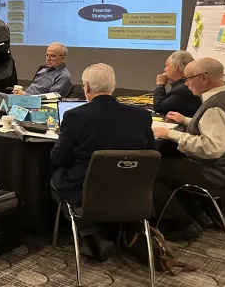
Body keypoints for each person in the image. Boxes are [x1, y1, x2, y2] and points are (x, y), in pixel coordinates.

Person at [50, 63, 154, 260]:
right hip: (132, 188)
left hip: (86, 189)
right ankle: (99, 234)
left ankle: (90, 233)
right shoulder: (142, 116)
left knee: (56, 178)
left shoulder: (74, 116)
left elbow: (58, 158)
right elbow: (152, 154)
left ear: (86, 87)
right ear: (113, 87)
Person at [152, 57, 225, 240]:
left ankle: (182, 224)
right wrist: (185, 121)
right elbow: (219, 129)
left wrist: (169, 134)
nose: (186, 83)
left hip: (214, 173)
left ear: (204, 78)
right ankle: (200, 215)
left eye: (189, 78)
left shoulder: (215, 107)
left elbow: (211, 147)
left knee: (153, 168)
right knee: (170, 162)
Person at [0, 42, 72, 102]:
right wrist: (22, 93)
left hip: (35, 103)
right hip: (25, 98)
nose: (48, 58)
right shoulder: (43, 69)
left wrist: (25, 95)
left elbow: (52, 98)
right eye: (47, 55)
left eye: (53, 56)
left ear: (63, 58)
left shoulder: (63, 76)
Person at [153, 50, 201, 117]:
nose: (164, 69)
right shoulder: (190, 83)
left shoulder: (183, 89)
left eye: (167, 66)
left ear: (175, 67)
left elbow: (159, 107)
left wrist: (160, 85)